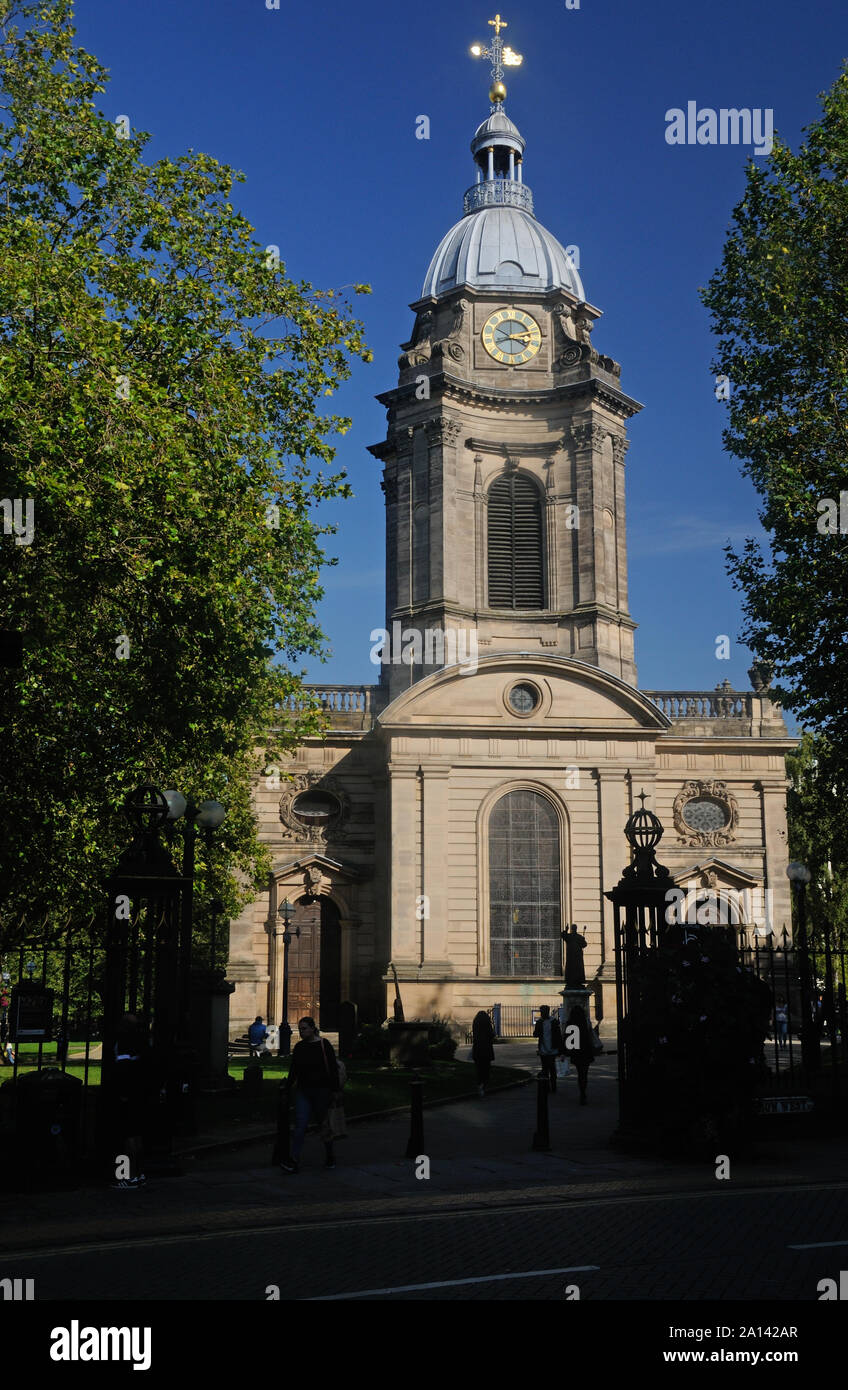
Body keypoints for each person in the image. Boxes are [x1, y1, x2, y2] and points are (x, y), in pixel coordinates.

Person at [280, 1017, 340, 1174]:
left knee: (324, 1125)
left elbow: (333, 1069)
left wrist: (335, 1091)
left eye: (304, 1028)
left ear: (313, 1028)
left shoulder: (323, 1045)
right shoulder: (299, 1047)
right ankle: (293, 1160)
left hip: (322, 1091)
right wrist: (287, 1087)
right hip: (303, 1091)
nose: (301, 1032)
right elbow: (294, 1070)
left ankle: (330, 1155)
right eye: (300, 1029)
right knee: (300, 1126)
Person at [105, 1014, 151, 1189]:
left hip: (127, 1096)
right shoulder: (143, 1043)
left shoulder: (124, 1043)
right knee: (137, 1137)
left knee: (126, 1138)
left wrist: (122, 1093)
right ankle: (139, 1174)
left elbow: (123, 1071)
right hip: (141, 1095)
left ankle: (125, 1175)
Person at [565, 1004, 595, 1104]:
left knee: (580, 1073)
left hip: (576, 1051)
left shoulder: (570, 1023)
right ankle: (583, 1091)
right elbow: (591, 1035)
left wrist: (566, 1051)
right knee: (584, 1073)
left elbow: (567, 1039)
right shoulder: (586, 1021)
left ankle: (582, 1091)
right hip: (586, 1051)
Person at [533, 1005, 564, 1093]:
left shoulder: (554, 1022)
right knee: (545, 1068)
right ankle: (546, 1086)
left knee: (552, 1068)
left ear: (547, 1012)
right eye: (541, 1012)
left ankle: (553, 1086)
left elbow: (558, 1036)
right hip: (543, 1049)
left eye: (544, 1012)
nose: (542, 1014)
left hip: (552, 1048)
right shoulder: (539, 1022)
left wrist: (561, 1050)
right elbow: (535, 1034)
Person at [471, 1010, 495, 1096]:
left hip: (478, 1048)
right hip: (486, 1049)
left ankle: (479, 1084)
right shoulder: (487, 1024)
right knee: (486, 1068)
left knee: (479, 1068)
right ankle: (484, 1085)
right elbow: (492, 1035)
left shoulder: (475, 1023)